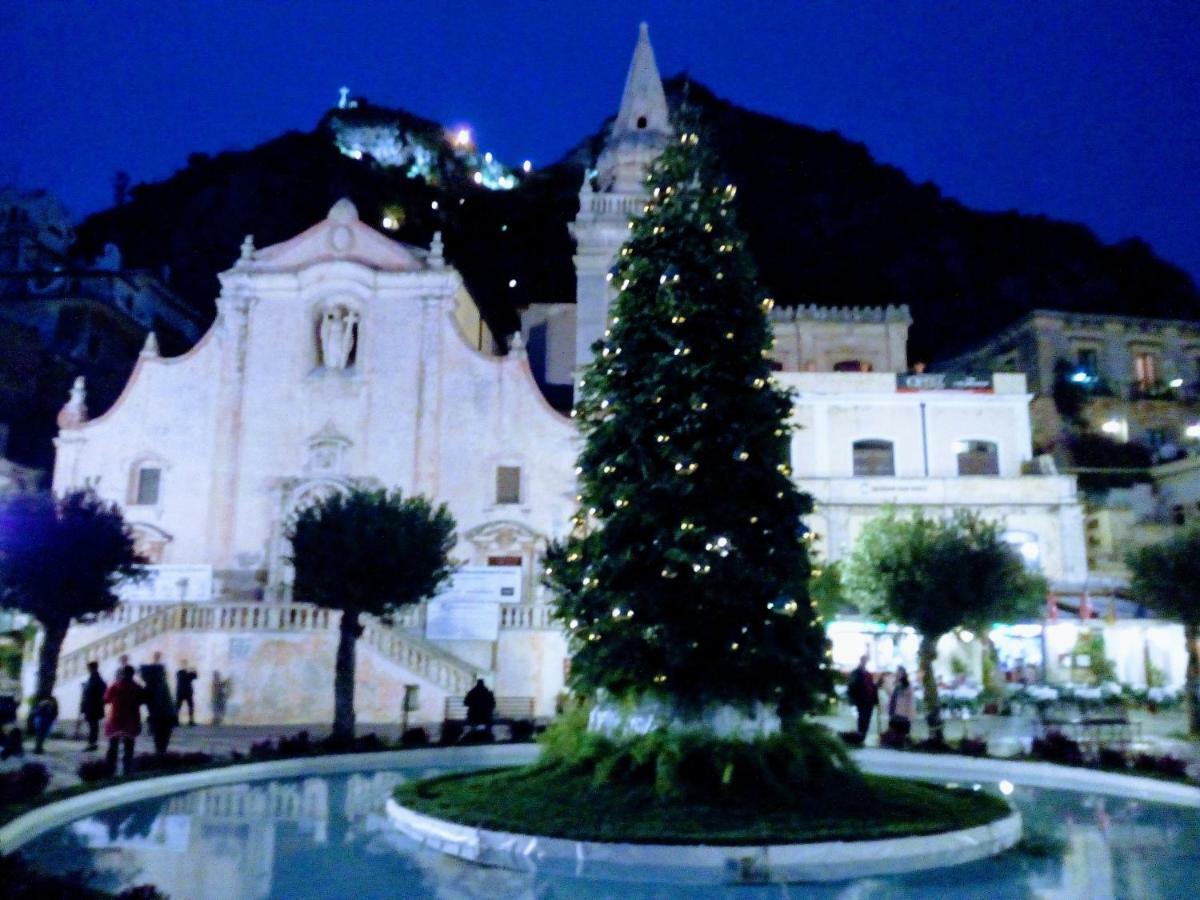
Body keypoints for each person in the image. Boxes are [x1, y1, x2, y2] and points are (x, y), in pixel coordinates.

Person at [104, 665, 145, 774]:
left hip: (116, 719)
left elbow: (106, 699)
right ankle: (127, 769)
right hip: (131, 719)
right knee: (129, 747)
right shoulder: (137, 687)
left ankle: (110, 769)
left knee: (113, 746)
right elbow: (142, 700)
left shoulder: (115, 686)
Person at [139, 652, 177, 755]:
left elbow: (146, 698)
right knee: (162, 742)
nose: (142, 677)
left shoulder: (153, 684)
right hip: (166, 715)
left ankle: (160, 757)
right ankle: (161, 756)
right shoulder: (160, 681)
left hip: (161, 717)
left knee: (160, 741)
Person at [846, 654, 877, 737]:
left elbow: (872, 687)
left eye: (865, 660)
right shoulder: (856, 673)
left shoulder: (868, 674)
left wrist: (874, 699)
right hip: (861, 700)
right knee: (862, 719)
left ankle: (862, 735)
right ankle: (860, 735)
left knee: (866, 719)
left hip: (869, 701)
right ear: (861, 661)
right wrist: (853, 700)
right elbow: (851, 686)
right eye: (863, 660)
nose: (865, 662)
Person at [81, 661, 108, 751]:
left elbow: (99, 691)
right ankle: (92, 743)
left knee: (93, 726)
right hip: (93, 706)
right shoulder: (95, 678)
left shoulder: (95, 678)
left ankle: (92, 744)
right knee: (93, 726)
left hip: (93, 706)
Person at [888, 666, 916, 740]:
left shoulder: (908, 686)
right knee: (895, 734)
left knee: (903, 735)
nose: (898, 674)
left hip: (904, 715)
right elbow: (892, 699)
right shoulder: (895, 685)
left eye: (900, 673)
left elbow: (911, 701)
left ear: (904, 674)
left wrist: (909, 715)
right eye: (897, 673)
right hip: (894, 714)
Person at [175, 661, 198, 726]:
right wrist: (192, 670)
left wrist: (194, 670)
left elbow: (195, 676)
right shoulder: (180, 673)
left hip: (185, 692)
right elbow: (193, 676)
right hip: (183, 692)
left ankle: (190, 720)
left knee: (189, 706)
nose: (184, 666)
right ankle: (176, 721)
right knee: (178, 707)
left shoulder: (182, 673)